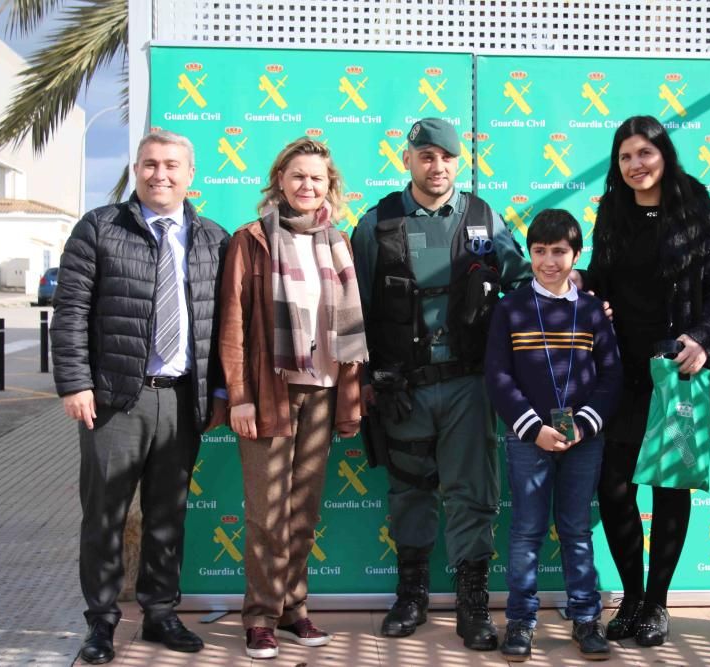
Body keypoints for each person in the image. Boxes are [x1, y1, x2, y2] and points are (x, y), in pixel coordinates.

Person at [351, 117, 532, 650]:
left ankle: (473, 605)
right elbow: (351, 309)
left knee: (472, 494)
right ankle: (412, 596)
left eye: (448, 158)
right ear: (408, 159)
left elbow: (524, 286)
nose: (438, 167)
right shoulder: (376, 224)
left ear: (461, 162)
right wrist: (358, 380)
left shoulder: (482, 218)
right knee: (409, 492)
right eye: (427, 156)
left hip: (468, 387)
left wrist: (581, 301)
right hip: (400, 387)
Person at [51, 130, 229, 664]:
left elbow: (223, 325)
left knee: (167, 514)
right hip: (114, 401)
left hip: (182, 403)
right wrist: (75, 382)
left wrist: (219, 390)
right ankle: (102, 623)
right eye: (150, 164)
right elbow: (70, 312)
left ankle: (159, 614)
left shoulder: (213, 239)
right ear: (136, 169)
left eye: (172, 165)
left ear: (190, 174)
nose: (160, 175)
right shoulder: (100, 228)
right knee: (103, 514)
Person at [583, 115, 710, 647]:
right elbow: (600, 277)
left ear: (664, 154)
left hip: (677, 367)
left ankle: (657, 602)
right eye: (625, 157)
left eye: (644, 153)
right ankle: (631, 595)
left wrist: (701, 339)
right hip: (622, 370)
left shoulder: (702, 213)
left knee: (670, 486)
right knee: (615, 487)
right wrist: (582, 286)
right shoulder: (611, 211)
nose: (635, 165)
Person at [218, 138, 367, 659]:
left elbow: (348, 334)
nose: (308, 186)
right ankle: (258, 617)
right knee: (265, 511)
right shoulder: (252, 239)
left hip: (324, 393)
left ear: (331, 186)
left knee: (302, 510)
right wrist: (238, 396)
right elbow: (233, 326)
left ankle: (293, 609)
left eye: (317, 179)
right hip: (269, 393)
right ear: (279, 179)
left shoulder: (339, 242)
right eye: (298, 176)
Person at [485, 209, 622, 661]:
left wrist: (583, 424)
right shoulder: (511, 307)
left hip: (584, 439)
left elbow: (610, 376)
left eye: (559, 251)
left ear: (576, 254)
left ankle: (585, 618)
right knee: (526, 532)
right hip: (529, 439)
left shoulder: (592, 310)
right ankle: (521, 623)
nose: (549, 261)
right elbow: (498, 376)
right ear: (529, 254)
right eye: (540, 251)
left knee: (576, 530)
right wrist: (532, 427)